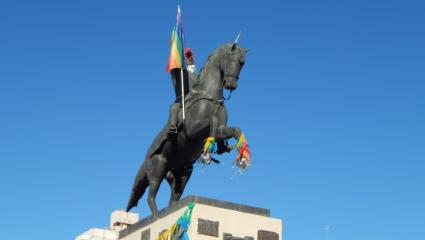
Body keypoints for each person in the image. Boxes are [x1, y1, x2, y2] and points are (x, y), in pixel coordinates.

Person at [167, 48, 196, 135]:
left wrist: (189, 55)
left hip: (196, 97)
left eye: (189, 58)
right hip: (182, 99)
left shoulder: (195, 75)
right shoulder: (177, 74)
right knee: (174, 108)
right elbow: (173, 67)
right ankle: (172, 126)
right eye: (187, 58)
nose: (189, 60)